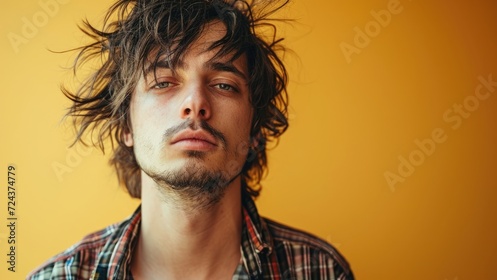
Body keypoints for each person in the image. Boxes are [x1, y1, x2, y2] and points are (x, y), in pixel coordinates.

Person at [28, 0, 354, 279]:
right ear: (126, 124)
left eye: (224, 84)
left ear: (254, 129)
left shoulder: (319, 270)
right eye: (164, 82)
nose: (195, 102)